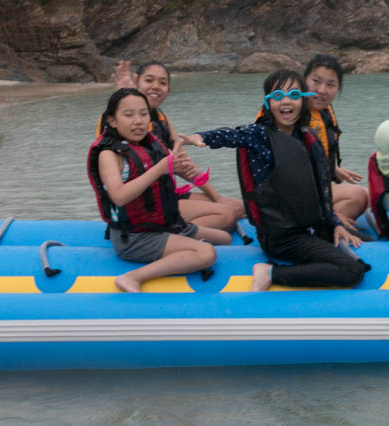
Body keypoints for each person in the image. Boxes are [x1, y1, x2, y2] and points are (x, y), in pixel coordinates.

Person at [181, 69, 368, 291]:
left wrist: (335, 223)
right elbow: (230, 135)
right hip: (282, 237)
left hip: (310, 227)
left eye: (294, 95)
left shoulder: (307, 136)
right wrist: (201, 137)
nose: (286, 101)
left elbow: (320, 192)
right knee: (351, 271)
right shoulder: (259, 135)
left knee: (364, 242)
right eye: (277, 95)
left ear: (304, 100)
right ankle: (271, 273)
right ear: (268, 103)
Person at [87, 88, 224, 292]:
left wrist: (181, 169)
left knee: (225, 239)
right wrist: (159, 169)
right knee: (207, 253)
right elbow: (118, 196)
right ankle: (133, 277)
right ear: (112, 121)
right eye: (128, 115)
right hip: (134, 237)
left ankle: (180, 246)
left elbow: (164, 176)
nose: (138, 121)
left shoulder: (149, 145)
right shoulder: (109, 155)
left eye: (143, 114)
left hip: (164, 226)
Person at [107, 60, 244, 233]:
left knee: (239, 207)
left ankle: (176, 230)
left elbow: (185, 166)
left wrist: (217, 197)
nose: (156, 86)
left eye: (162, 83)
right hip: (140, 205)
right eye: (149, 80)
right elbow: (115, 136)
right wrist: (125, 94)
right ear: (136, 81)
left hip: (164, 196)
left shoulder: (161, 120)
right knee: (227, 215)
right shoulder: (119, 124)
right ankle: (164, 237)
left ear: (168, 90)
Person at [304, 54, 370, 232]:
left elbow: (315, 154)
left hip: (314, 187)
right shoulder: (292, 113)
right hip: (294, 193)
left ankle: (330, 220)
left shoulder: (324, 112)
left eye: (330, 85)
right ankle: (329, 227)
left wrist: (332, 169)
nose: (322, 90)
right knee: (360, 196)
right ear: (303, 80)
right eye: (316, 81)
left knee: (365, 194)